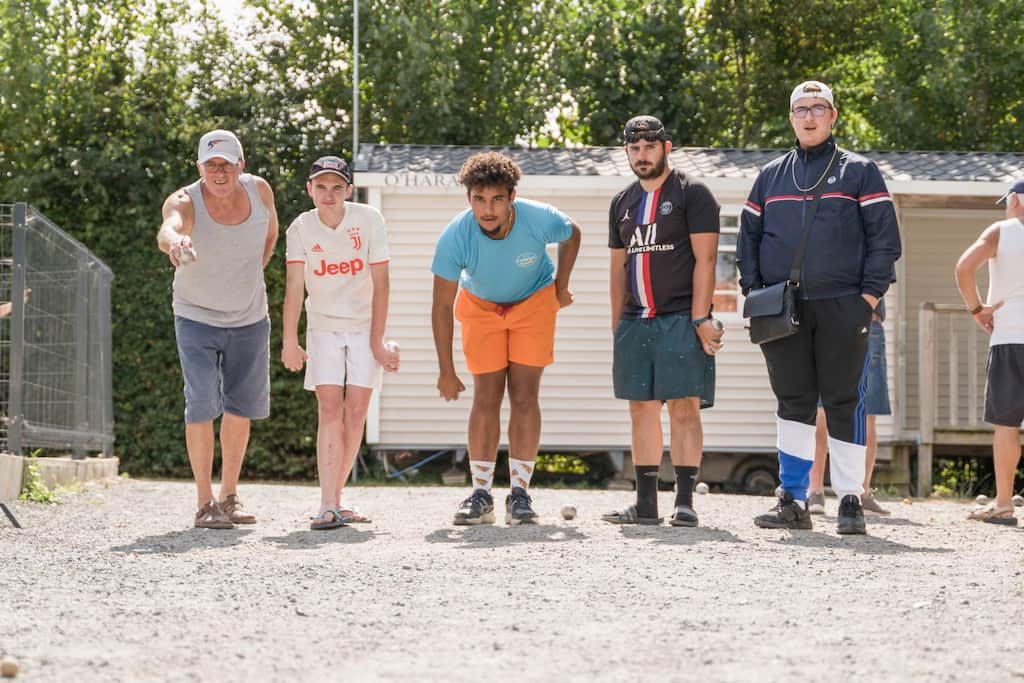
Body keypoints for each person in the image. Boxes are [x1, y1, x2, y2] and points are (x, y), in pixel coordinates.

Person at [737, 81, 901, 534]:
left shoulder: (860, 172)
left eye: (818, 108)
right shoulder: (770, 176)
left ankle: (849, 500)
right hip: (781, 309)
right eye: (801, 109)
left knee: (845, 402)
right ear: (791, 118)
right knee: (793, 403)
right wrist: (754, 293)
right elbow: (747, 241)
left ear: (833, 116)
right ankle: (792, 499)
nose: (809, 116)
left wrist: (867, 298)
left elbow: (885, 242)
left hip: (845, 306)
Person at [431, 151, 581, 526]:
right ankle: (481, 495)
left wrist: (562, 287)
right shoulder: (455, 235)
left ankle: (520, 495)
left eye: (497, 199)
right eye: (479, 199)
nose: (487, 209)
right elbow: (441, 306)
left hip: (533, 303)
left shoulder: (537, 218)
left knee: (525, 395)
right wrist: (446, 370)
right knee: (486, 396)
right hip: (481, 308)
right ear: (469, 198)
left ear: (512, 197)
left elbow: (572, 232)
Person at [600, 115, 722, 527]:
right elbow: (618, 271)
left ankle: (684, 502)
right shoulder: (621, 202)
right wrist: (618, 326)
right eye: (634, 148)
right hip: (636, 321)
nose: (642, 155)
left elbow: (706, 261)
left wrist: (702, 316)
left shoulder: (693, 194)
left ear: (666, 148)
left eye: (650, 147)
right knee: (641, 409)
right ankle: (646, 504)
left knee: (684, 408)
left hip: (680, 318)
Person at [157, 130, 278, 529]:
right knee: (202, 402)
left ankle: (229, 496)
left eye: (226, 163)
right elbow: (169, 227)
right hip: (196, 317)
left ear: (241, 166)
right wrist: (175, 242)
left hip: (249, 317)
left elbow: (270, 235)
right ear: (199, 168)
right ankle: (204, 502)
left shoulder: (260, 191)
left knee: (241, 407)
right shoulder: (185, 200)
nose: (219, 171)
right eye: (211, 165)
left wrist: (249, 273)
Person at [281, 156, 399, 530]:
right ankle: (327, 504)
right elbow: (295, 289)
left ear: (349, 189)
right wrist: (289, 340)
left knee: (356, 412)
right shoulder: (300, 227)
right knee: (329, 410)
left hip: (364, 326)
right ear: (309, 189)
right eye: (320, 187)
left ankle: (338, 499)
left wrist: (378, 341)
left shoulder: (368, 220)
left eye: (336, 187)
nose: (328, 195)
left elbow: (382, 284)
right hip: (324, 327)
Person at [954, 177, 1024, 526]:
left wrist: (977, 309)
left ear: (1016, 199)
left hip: (1010, 335)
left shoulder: (1002, 230)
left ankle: (1003, 503)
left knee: (1006, 423)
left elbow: (964, 268)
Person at [808, 297, 893, 516]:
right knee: (863, 409)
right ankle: (860, 493)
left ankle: (815, 491)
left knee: (824, 408)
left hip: (830, 317)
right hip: (864, 317)